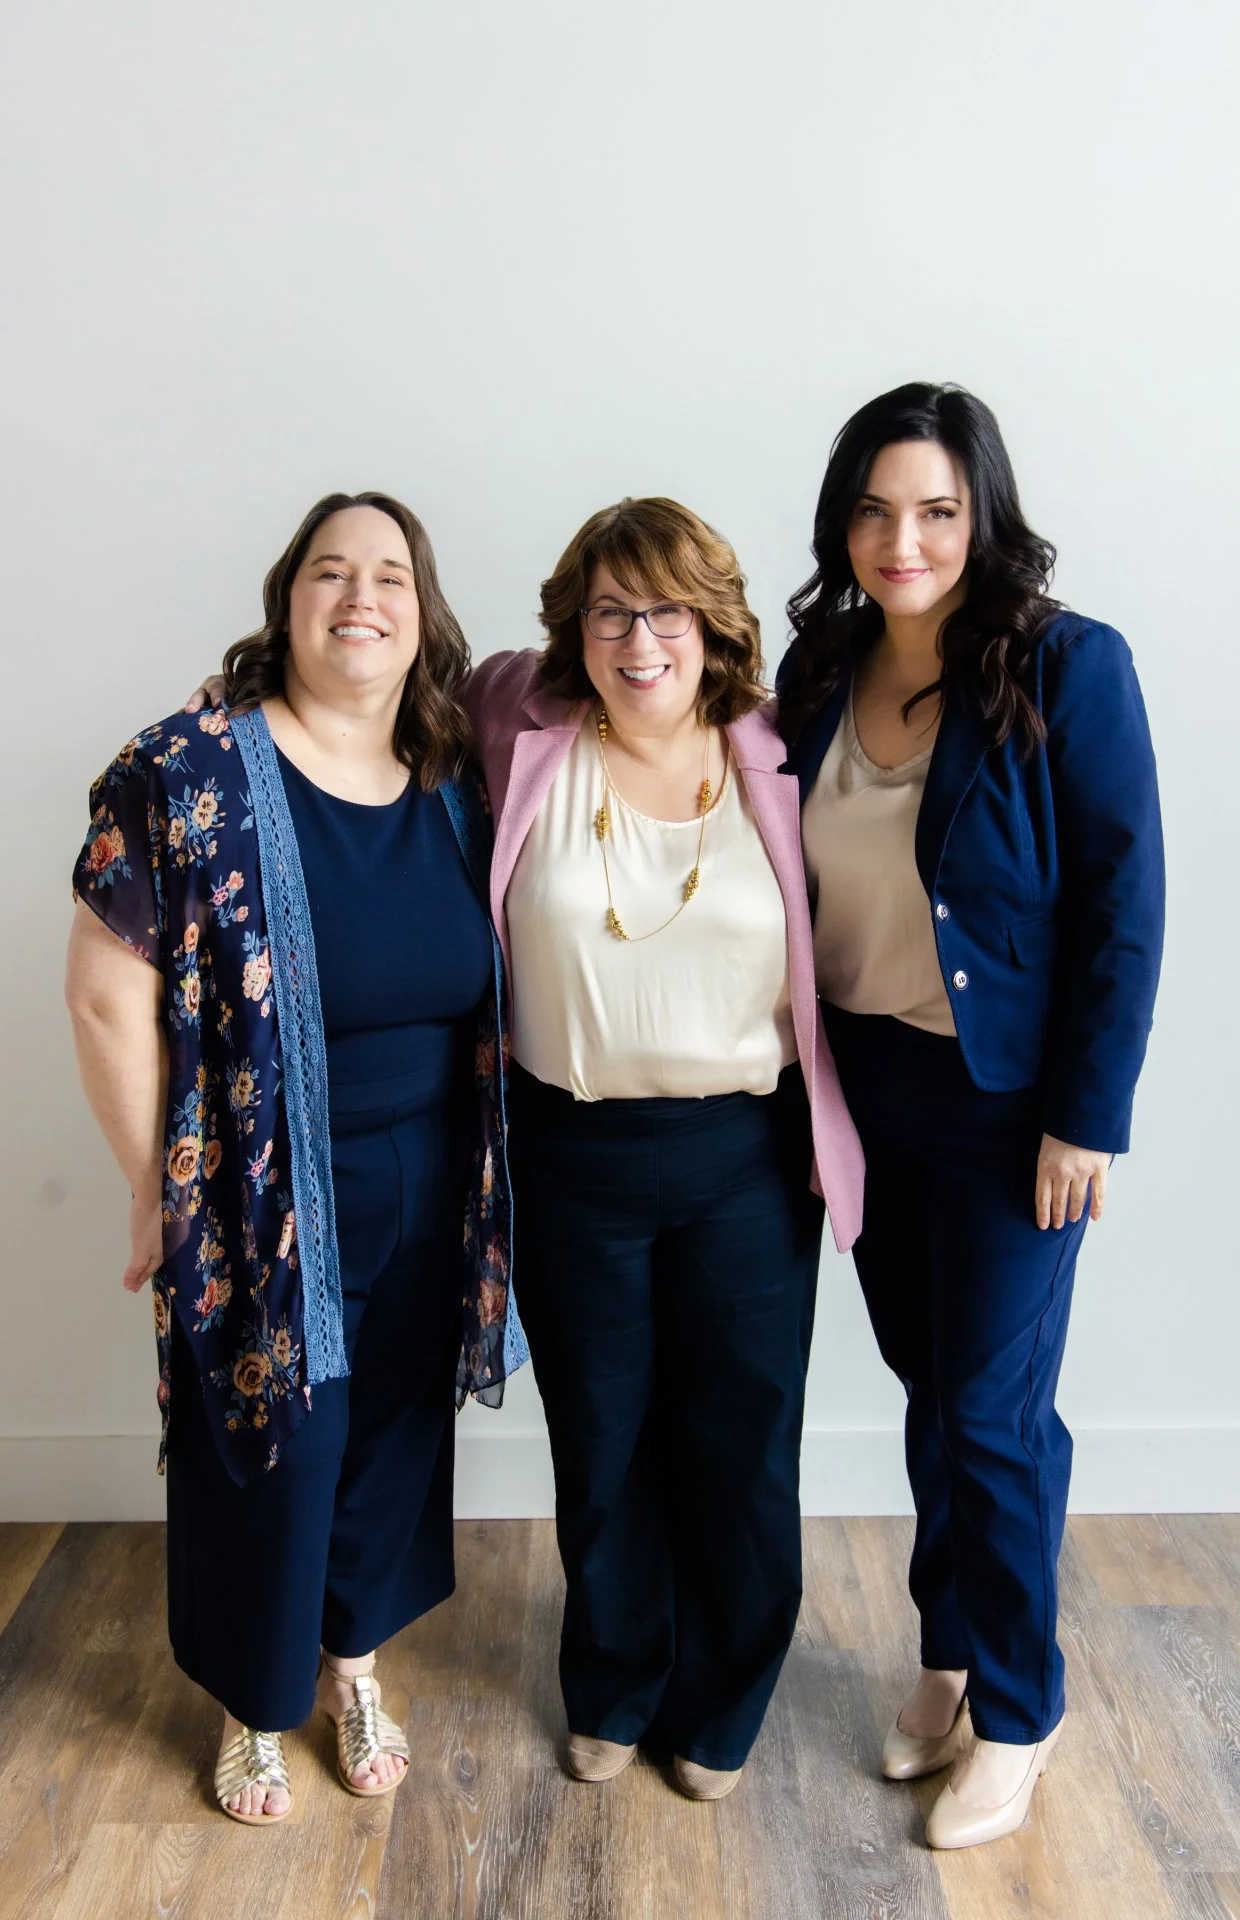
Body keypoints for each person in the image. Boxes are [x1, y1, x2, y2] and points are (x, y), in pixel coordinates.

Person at [66, 492, 523, 1825]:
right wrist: (149, 1189)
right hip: (259, 1189)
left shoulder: (455, 776)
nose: (360, 597)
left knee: (389, 1437)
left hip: (434, 1172)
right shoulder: (186, 770)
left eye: (390, 575)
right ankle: (254, 1704)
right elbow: (104, 995)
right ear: (287, 602)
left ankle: (352, 1669)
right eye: (331, 572)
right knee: (272, 1448)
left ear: (423, 614)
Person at [778, 383, 1164, 1848]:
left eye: (937, 510)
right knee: (933, 1389)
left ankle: (1019, 1708)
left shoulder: (1068, 664)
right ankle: (948, 1651)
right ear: (844, 524)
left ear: (981, 514)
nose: (905, 540)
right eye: (877, 511)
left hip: (1013, 1111)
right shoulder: (819, 670)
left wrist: (1089, 1118)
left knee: (993, 1412)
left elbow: (1126, 902)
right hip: (864, 1093)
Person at [467, 497, 865, 1799]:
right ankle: (613, 1681)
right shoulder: (519, 721)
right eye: (610, 612)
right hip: (569, 1152)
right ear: (573, 628)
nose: (640, 641)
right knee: (602, 1435)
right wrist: (241, 693)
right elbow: (378, 693)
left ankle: (722, 1700)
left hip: (744, 1157)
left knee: (741, 1438)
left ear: (715, 624)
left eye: (668, 611)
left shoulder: (782, 744)